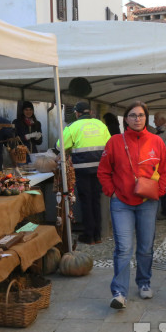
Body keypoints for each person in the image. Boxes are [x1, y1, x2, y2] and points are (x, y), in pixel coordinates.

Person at [97, 101, 166, 309]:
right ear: (126, 119)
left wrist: (160, 190)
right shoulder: (114, 142)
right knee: (123, 248)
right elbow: (103, 171)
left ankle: (144, 282)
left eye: (141, 115)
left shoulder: (156, 141)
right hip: (121, 202)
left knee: (146, 247)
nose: (137, 119)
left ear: (146, 118)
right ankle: (119, 292)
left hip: (148, 202)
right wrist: (111, 192)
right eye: (132, 115)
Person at [59, 101, 111, 245]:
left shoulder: (73, 126)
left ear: (77, 113)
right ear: (90, 112)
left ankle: (89, 235)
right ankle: (98, 234)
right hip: (100, 169)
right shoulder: (101, 125)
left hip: (82, 170)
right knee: (96, 200)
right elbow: (109, 144)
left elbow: (60, 145)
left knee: (86, 201)